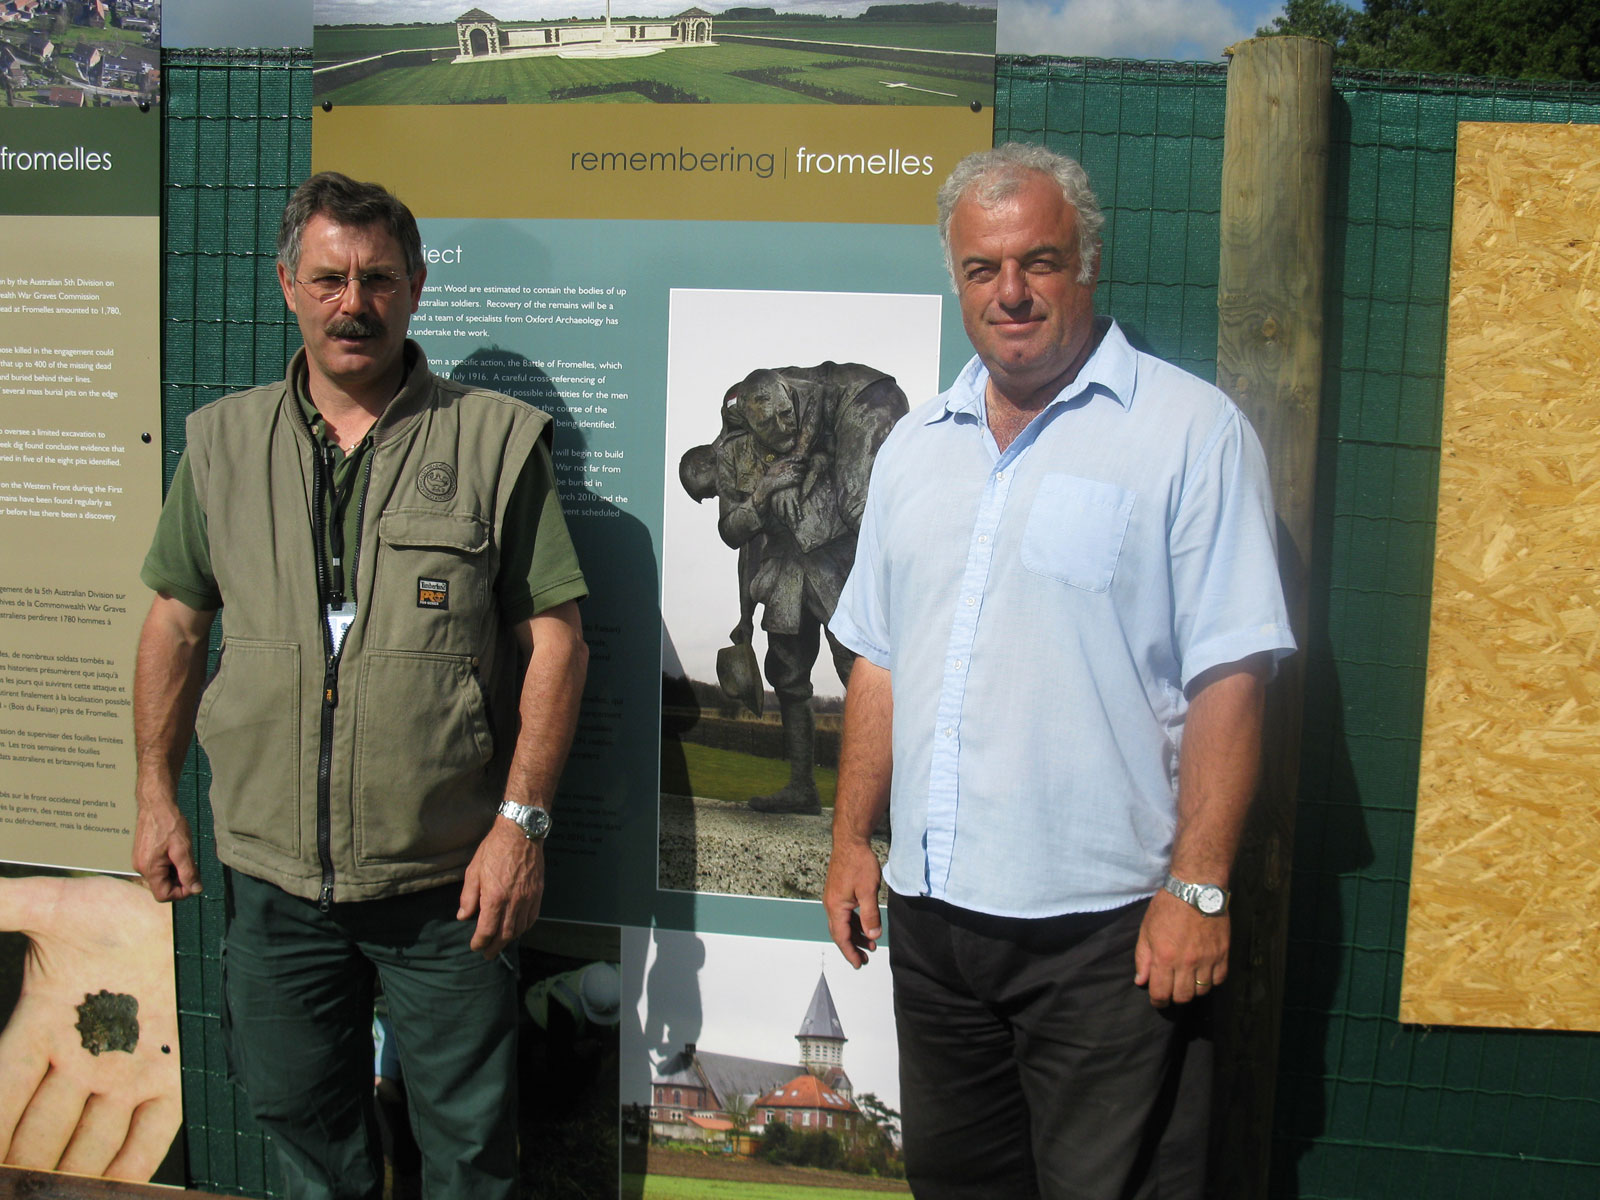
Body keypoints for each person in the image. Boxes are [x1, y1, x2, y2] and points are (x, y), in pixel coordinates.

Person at [822, 144, 1296, 1199]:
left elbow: (1233, 674)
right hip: (938, 924)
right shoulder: (912, 449)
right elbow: (880, 659)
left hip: (1108, 936)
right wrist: (854, 838)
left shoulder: (1188, 434)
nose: (1012, 293)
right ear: (956, 280)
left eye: (1039, 261)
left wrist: (1201, 889)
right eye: (983, 269)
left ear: (1087, 263)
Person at [131, 172, 589, 1200]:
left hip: (448, 885)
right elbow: (174, 619)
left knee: (469, 1148)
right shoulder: (221, 446)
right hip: (272, 881)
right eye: (330, 277)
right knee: (301, 1125)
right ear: (286, 284)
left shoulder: (492, 441)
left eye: (378, 278)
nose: (355, 302)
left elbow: (555, 640)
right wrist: (155, 794)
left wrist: (521, 823)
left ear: (416, 288)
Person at [680, 363, 906, 814]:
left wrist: (801, 471)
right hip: (784, 571)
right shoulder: (732, 460)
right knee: (786, 674)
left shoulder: (794, 409)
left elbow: (832, 453)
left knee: (856, 668)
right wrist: (763, 496)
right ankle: (802, 787)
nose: (783, 427)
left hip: (831, 558)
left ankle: (886, 804)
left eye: (785, 417)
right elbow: (732, 533)